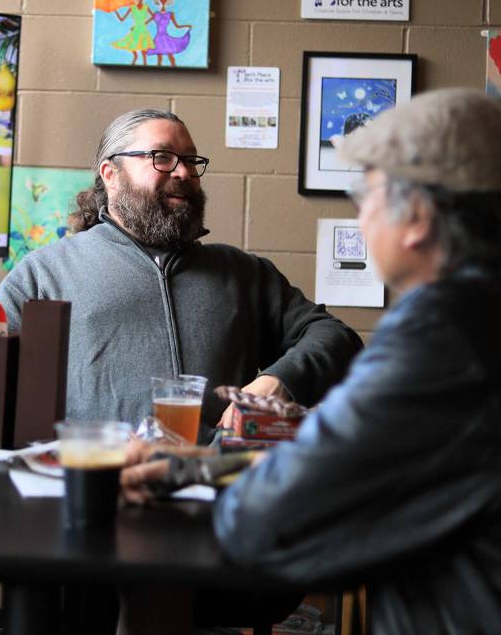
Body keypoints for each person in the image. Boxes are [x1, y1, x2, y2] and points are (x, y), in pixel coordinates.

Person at [203, 88, 501, 632]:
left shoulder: (442, 331)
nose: (361, 219)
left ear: (417, 216)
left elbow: (263, 523)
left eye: (367, 195)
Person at [0, 108, 362, 440]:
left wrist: (281, 380)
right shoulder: (45, 273)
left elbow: (336, 337)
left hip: (216, 489)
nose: (183, 172)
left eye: (191, 160)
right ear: (111, 175)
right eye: (162, 157)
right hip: (95, 485)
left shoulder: (243, 274)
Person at [144, 0, 192, 68]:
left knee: (171, 57)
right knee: (159, 59)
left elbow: (177, 26)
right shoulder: (155, 14)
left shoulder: (170, 14)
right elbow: (145, 23)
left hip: (166, 38)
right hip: (158, 38)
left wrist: (186, 26)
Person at [111, 0, 156, 66]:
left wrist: (146, 22)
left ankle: (144, 65)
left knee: (143, 51)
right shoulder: (132, 7)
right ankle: (134, 62)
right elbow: (122, 19)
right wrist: (115, 11)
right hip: (136, 29)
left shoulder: (146, 7)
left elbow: (153, 16)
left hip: (143, 30)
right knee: (133, 49)